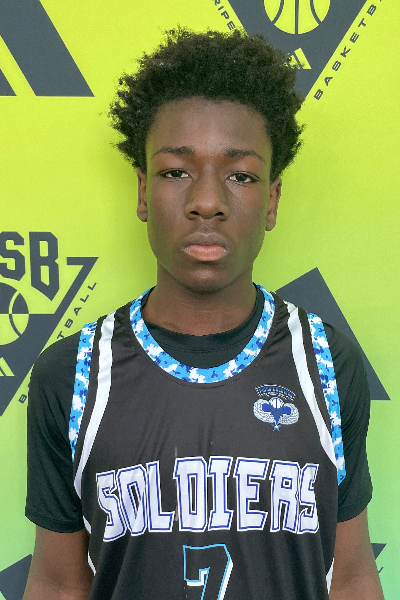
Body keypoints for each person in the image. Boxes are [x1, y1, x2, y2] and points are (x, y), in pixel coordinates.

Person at [23, 28, 384, 600]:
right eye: (176, 171)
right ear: (143, 192)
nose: (207, 201)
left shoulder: (324, 361)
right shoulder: (72, 374)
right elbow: (59, 584)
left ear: (272, 200)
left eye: (240, 175)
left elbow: (352, 577)